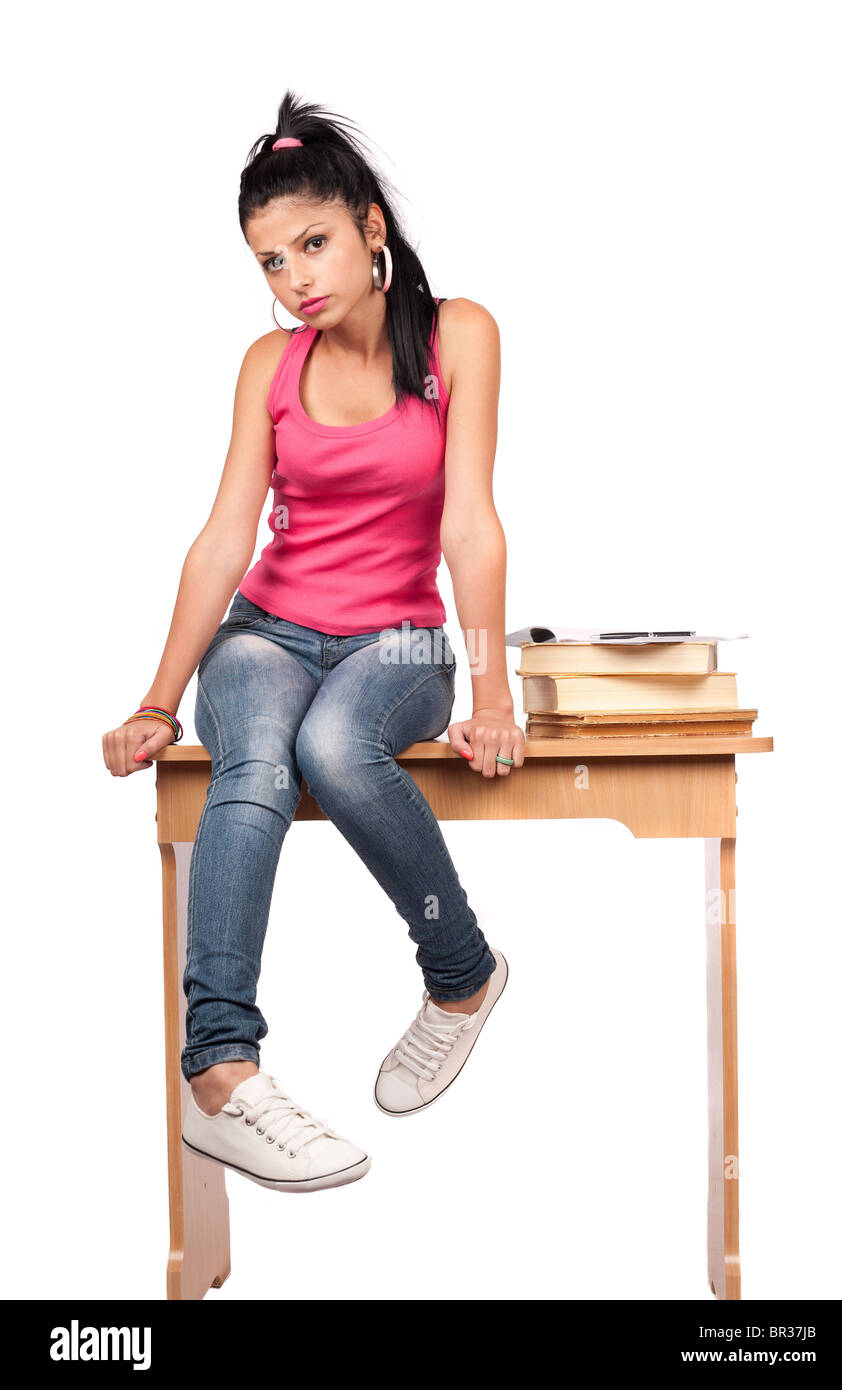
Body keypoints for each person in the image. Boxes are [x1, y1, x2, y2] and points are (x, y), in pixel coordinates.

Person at [102, 89, 525, 1195]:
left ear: (369, 225)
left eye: (313, 243)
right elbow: (223, 538)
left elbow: (469, 522)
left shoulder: (456, 337)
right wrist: (155, 699)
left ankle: (460, 975)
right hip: (266, 636)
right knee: (251, 761)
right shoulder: (267, 366)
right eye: (269, 260)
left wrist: (489, 693)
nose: (294, 277)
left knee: (338, 751)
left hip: (396, 642)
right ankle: (223, 1076)